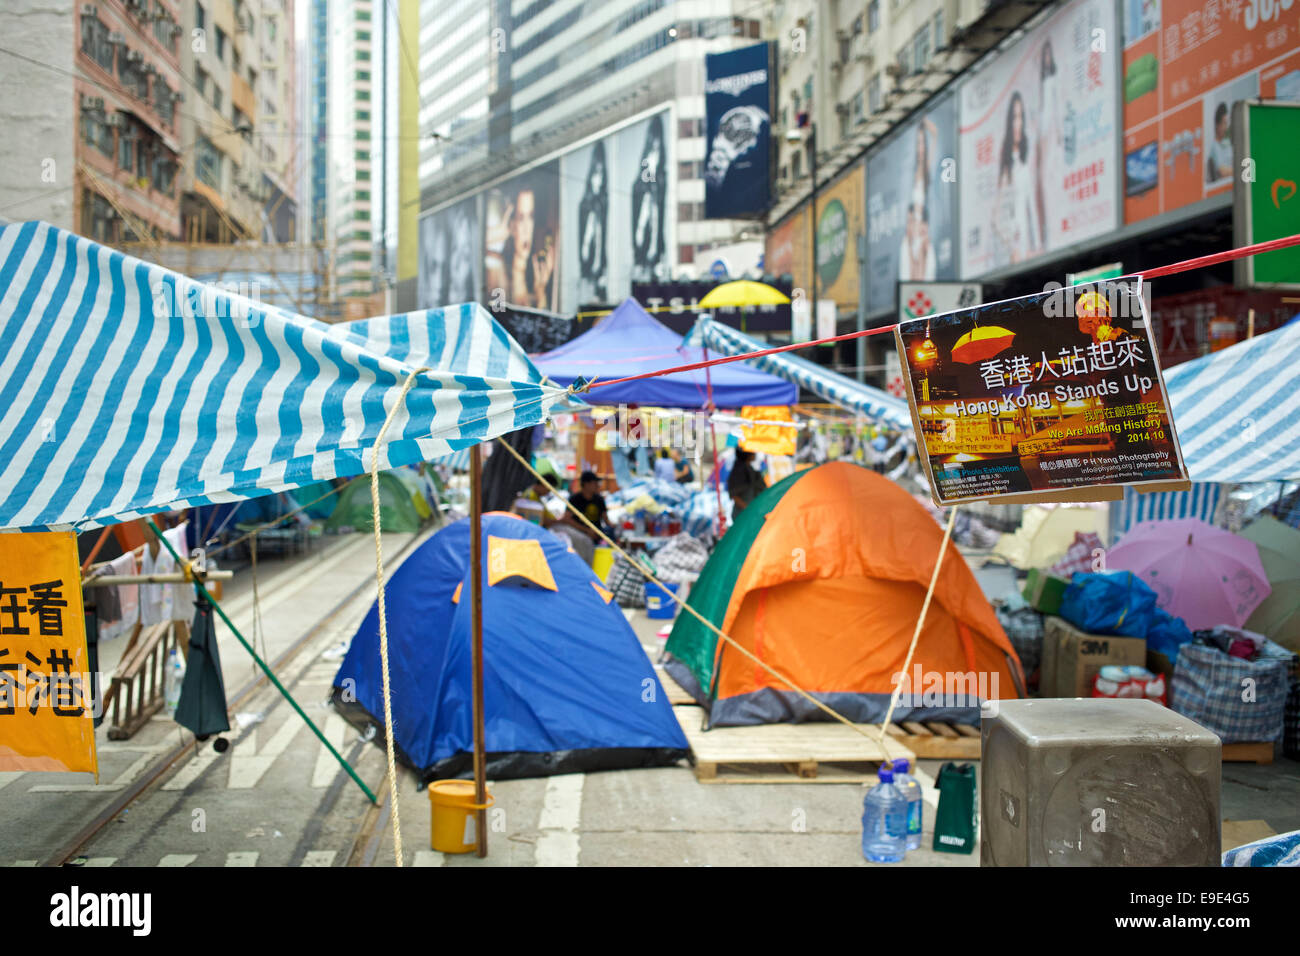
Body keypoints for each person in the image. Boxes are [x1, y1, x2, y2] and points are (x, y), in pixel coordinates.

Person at [994, 91, 1039, 265]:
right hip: (1015, 245)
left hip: (1027, 243)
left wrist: (1036, 246)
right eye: (1014, 117)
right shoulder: (1007, 166)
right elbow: (996, 218)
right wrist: (1010, 243)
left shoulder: (1026, 158)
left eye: (1020, 117)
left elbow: (1032, 209)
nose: (1017, 124)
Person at [565, 470, 610, 542]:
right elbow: (567, 519)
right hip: (579, 535)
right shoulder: (574, 499)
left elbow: (606, 520)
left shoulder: (599, 499)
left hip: (597, 534)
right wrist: (586, 530)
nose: (597, 485)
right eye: (595, 483)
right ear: (586, 484)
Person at [1206, 103, 1232, 183]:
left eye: (1226, 123)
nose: (1226, 127)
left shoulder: (1227, 143)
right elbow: (1222, 172)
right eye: (1224, 123)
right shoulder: (1214, 147)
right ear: (1217, 125)